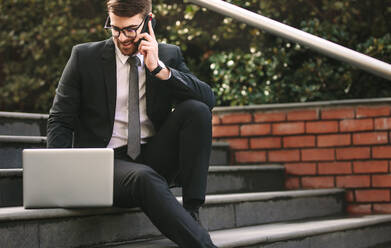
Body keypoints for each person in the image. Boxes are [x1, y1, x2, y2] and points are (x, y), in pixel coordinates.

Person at [46, 0, 217, 247]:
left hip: (153, 157)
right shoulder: (84, 57)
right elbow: (60, 119)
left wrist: (159, 69)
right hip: (106, 164)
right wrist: (59, 173)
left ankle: (191, 213)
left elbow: (208, 99)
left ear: (149, 22)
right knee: (143, 178)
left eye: (130, 29)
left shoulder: (168, 54)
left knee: (197, 110)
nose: (122, 38)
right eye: (115, 28)